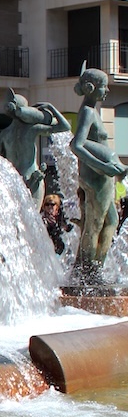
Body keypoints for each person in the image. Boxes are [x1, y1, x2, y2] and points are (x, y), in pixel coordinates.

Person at [69, 66, 127, 284]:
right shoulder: (86, 112)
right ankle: (87, 274)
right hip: (95, 177)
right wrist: (103, 166)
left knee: (111, 221)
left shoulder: (93, 112)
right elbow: (76, 145)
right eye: (104, 87)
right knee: (94, 225)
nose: (107, 91)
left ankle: (95, 268)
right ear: (90, 88)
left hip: (103, 177)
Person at [0, 89, 70, 209]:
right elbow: (65, 126)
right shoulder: (32, 129)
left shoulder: (4, 134)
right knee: (33, 221)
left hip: (12, 181)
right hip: (32, 178)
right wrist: (51, 108)